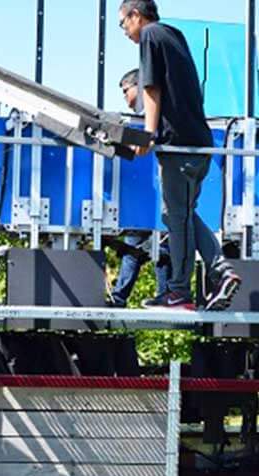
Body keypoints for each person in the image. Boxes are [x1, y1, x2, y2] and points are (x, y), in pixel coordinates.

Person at [118, 0, 241, 310]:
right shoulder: (174, 35)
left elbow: (151, 87)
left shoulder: (150, 36)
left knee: (177, 216)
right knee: (178, 212)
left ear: (136, 15)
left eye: (123, 23)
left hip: (180, 147)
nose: (124, 31)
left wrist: (147, 132)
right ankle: (221, 272)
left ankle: (179, 292)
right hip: (198, 144)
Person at [109, 68, 171, 308]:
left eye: (126, 90)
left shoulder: (147, 122)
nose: (125, 96)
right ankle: (159, 294)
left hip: (152, 194)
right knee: (149, 246)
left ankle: (120, 297)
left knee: (146, 246)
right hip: (146, 197)